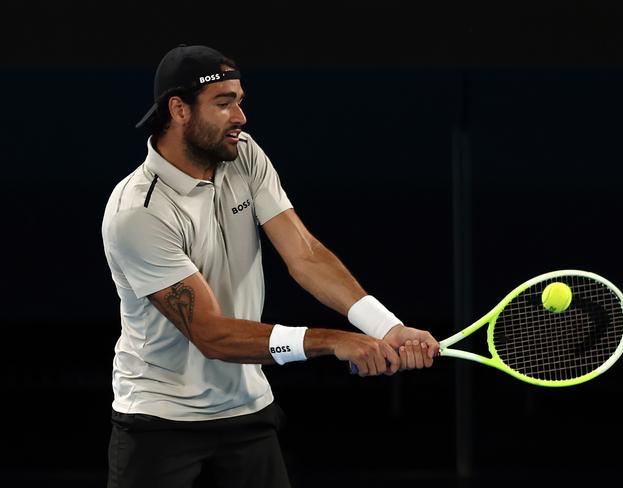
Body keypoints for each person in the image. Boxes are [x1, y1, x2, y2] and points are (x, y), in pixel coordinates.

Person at [101, 43, 440, 488]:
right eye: (223, 104)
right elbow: (212, 334)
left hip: (247, 411)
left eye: (239, 101)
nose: (240, 117)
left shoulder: (244, 154)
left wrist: (385, 327)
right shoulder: (138, 212)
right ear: (178, 109)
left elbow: (304, 253)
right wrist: (334, 341)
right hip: (159, 423)